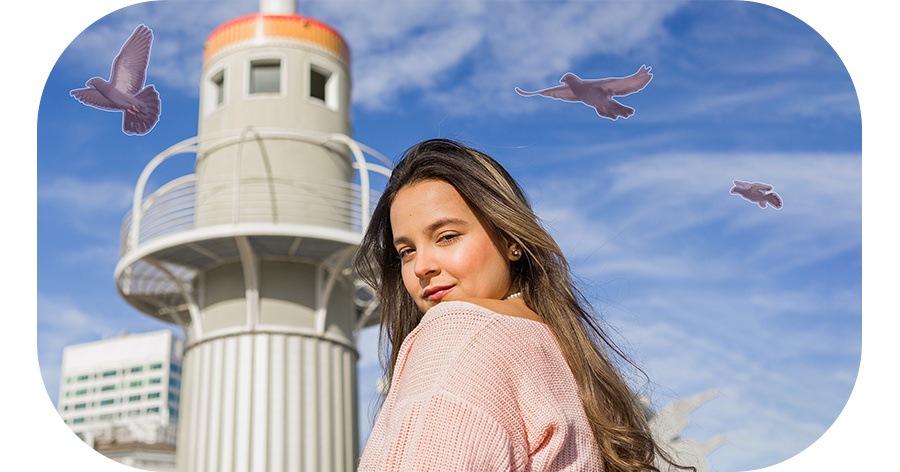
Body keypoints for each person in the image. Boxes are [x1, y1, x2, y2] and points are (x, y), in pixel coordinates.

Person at [354, 138, 694, 471]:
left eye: (447, 236)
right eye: (406, 251)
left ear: (511, 239)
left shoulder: (459, 334)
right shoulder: (562, 350)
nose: (421, 266)